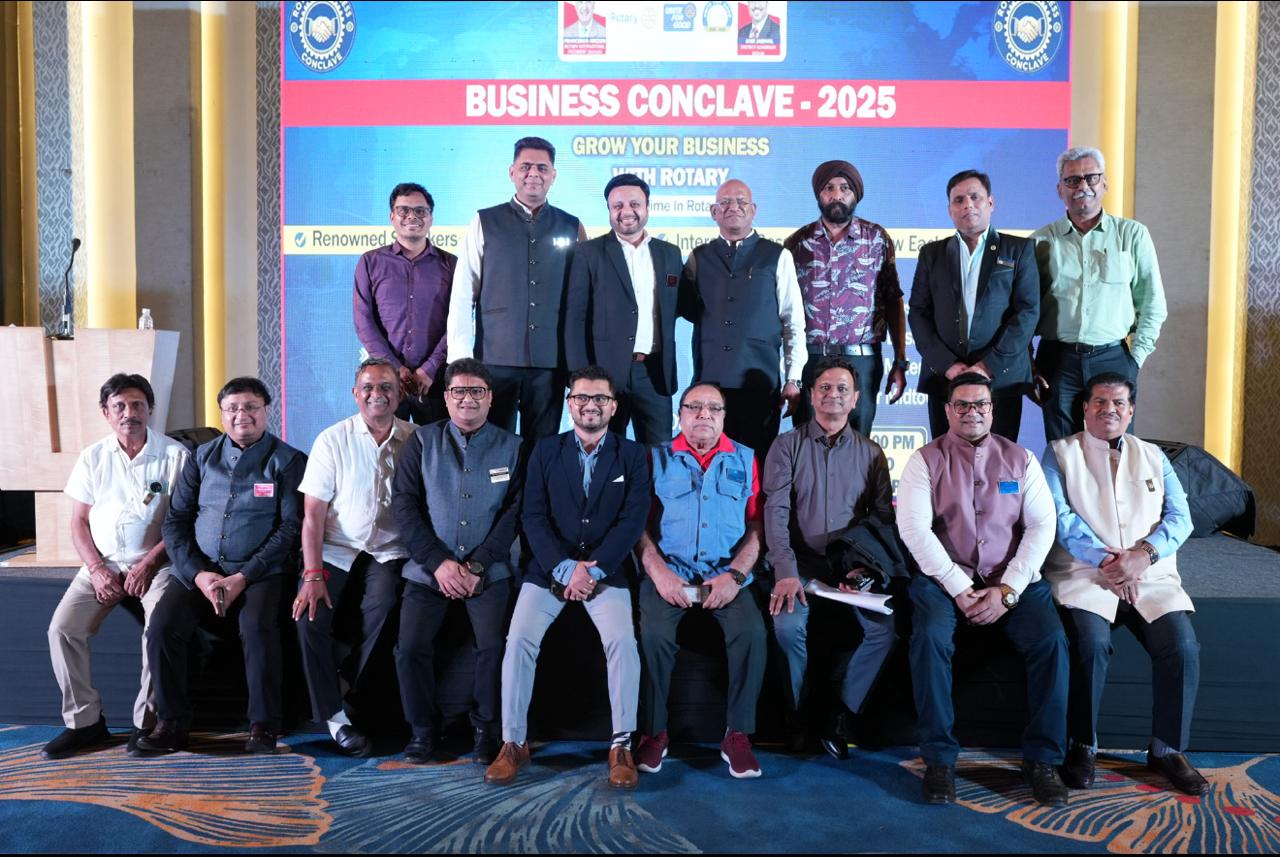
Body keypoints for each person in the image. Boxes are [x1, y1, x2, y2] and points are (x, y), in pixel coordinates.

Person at [897, 373, 1070, 806]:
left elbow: (1042, 526)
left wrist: (1008, 589)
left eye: (980, 405)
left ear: (992, 410)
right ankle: (939, 760)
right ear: (947, 410)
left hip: (1011, 577)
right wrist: (958, 586)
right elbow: (915, 530)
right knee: (930, 638)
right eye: (962, 404)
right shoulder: (924, 460)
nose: (971, 412)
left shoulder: (1021, 459)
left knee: (1051, 641)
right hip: (944, 578)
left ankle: (1043, 759)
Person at [483, 366, 650, 789]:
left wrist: (594, 569)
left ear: (613, 407)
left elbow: (633, 521)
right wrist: (565, 568)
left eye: (600, 398)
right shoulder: (543, 450)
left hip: (605, 572)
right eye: (582, 398)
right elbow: (532, 516)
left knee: (622, 642)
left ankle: (621, 745)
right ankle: (513, 742)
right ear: (569, 403)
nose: (590, 405)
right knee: (518, 640)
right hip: (548, 570)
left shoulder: (632, 455)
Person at [1042, 372, 1206, 795]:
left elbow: (1181, 518)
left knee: (1181, 647)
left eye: (1118, 403)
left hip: (1150, 575)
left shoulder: (1154, 455)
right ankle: (1082, 745)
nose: (1109, 409)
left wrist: (1143, 556)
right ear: (1085, 408)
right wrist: (1109, 563)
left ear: (1130, 411)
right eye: (1099, 401)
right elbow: (1060, 518)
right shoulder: (1059, 453)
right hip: (1085, 573)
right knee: (1090, 645)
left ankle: (1167, 749)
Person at [137, 378, 306, 755]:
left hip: (259, 572)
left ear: (266, 410)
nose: (241, 415)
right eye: (232, 409)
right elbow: (175, 522)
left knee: (258, 628)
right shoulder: (200, 457)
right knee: (162, 628)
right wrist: (198, 574)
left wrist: (244, 576)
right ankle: (171, 722)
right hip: (199, 571)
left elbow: (290, 528)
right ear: (222, 414)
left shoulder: (288, 460)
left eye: (250, 407)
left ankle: (263, 725)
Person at [42, 374, 189, 760]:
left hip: (158, 564)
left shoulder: (175, 456)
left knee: (158, 631)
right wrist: (96, 568)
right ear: (106, 413)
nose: (129, 413)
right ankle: (84, 723)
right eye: (119, 406)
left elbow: (182, 524)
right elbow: (78, 522)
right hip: (103, 563)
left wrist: (148, 563)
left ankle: (147, 723)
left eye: (137, 404)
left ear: (150, 409)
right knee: (62, 629)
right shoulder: (92, 457)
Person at [763, 356, 900, 757]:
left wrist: (863, 569)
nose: (833, 395)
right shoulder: (786, 446)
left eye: (842, 389)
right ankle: (798, 716)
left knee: (883, 631)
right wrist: (785, 572)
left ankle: (839, 715)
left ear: (856, 399)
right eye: (824, 387)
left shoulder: (871, 453)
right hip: (799, 565)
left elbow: (882, 520)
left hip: (848, 569)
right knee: (787, 629)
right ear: (810, 396)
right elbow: (776, 512)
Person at [392, 358, 524, 766]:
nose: (468, 399)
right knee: (409, 648)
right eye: (459, 391)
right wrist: (439, 563)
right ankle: (422, 729)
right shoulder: (421, 442)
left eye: (477, 391)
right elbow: (405, 506)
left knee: (494, 647)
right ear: (446, 398)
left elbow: (515, 514)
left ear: (490, 398)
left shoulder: (513, 447)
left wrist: (478, 565)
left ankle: (486, 729)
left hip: (489, 571)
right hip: (428, 570)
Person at [633, 382, 767, 778]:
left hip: (725, 573)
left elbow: (757, 526)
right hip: (669, 571)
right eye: (694, 407)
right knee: (653, 635)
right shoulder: (654, 458)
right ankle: (653, 732)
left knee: (752, 634)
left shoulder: (746, 458)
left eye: (713, 407)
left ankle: (737, 734)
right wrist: (659, 573)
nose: (704, 414)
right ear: (680, 415)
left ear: (724, 416)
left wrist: (736, 576)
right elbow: (638, 526)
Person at [293, 358, 413, 758]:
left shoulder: (416, 439)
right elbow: (312, 516)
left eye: (386, 387)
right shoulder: (332, 439)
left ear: (399, 393)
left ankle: (350, 685)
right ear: (355, 393)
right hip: (336, 548)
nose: (377, 394)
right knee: (309, 617)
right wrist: (312, 575)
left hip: (388, 550)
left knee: (386, 607)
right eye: (368, 387)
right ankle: (334, 718)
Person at [447, 137, 587, 440]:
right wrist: (461, 360)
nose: (533, 173)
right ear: (512, 172)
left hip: (551, 364)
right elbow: (463, 293)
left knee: (543, 447)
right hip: (493, 361)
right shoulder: (484, 221)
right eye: (526, 166)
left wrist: (578, 365)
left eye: (542, 168)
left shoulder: (572, 226)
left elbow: (581, 302)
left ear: (553, 175)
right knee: (493, 445)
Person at [1032, 146, 1167, 441]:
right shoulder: (1040, 241)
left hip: (1113, 357)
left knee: (1114, 451)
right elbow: (1022, 309)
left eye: (1091, 177)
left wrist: (1135, 360)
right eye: (1072, 180)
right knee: (1062, 450)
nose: (1083, 186)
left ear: (1104, 183)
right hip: (1057, 361)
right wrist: (1028, 363)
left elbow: (1153, 304)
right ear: (1059, 189)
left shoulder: (1132, 235)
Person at [679, 178, 806, 460]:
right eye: (725, 202)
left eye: (741, 202)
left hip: (759, 385)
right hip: (709, 387)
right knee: (708, 465)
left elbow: (793, 322)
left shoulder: (777, 256)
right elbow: (686, 310)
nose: (733, 207)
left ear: (754, 210)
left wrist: (793, 378)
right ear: (713, 212)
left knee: (758, 467)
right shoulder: (699, 257)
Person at [909, 169, 1039, 441]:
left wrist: (988, 365)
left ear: (990, 203)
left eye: (974, 197)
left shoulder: (1019, 250)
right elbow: (919, 313)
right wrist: (948, 365)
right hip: (945, 379)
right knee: (945, 460)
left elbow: (1027, 312)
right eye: (959, 200)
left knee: (999, 459)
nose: (967, 204)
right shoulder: (932, 254)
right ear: (950, 210)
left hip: (1000, 378)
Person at [783, 160, 908, 436]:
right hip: (811, 361)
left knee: (858, 445)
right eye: (828, 188)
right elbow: (785, 310)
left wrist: (900, 361)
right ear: (819, 194)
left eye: (844, 188)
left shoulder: (876, 239)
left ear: (856, 194)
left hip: (861, 361)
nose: (836, 195)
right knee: (807, 443)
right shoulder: (796, 244)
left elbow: (893, 301)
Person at [565, 173, 684, 444]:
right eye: (617, 206)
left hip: (655, 374)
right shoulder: (588, 253)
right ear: (609, 210)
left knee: (657, 456)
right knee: (603, 454)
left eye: (634, 204)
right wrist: (580, 379)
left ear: (647, 208)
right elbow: (575, 319)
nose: (626, 211)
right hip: (602, 375)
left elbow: (679, 306)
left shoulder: (670, 253)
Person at [353, 182, 457, 425]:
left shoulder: (451, 264)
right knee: (383, 446)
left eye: (420, 211)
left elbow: (458, 321)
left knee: (434, 446)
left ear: (431, 218)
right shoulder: (370, 262)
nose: (412, 216)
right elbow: (363, 321)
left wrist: (429, 368)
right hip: (383, 382)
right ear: (392, 217)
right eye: (404, 210)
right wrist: (394, 369)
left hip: (434, 380)